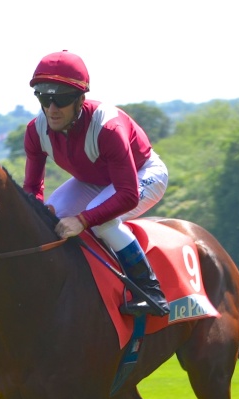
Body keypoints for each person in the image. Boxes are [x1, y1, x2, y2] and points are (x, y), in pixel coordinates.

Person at [23, 50, 170, 317]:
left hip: (142, 174)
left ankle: (149, 290)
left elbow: (127, 196)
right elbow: (32, 190)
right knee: (50, 216)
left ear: (81, 99)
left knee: (101, 221)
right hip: (93, 180)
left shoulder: (108, 128)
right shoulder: (35, 131)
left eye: (62, 99)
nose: (52, 109)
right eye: (45, 98)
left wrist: (82, 219)